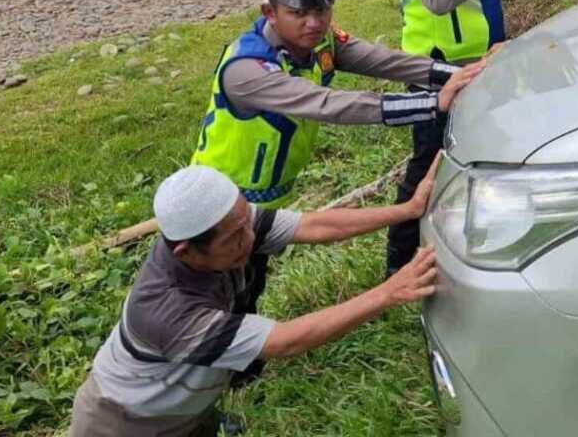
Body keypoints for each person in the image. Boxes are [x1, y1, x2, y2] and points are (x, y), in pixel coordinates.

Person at [69, 162, 442, 436]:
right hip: (126, 421)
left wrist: (406, 210)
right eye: (235, 236)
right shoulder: (169, 310)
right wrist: (388, 293)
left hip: (185, 403)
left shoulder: (230, 224)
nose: (250, 238)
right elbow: (285, 340)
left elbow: (313, 225)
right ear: (185, 252)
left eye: (247, 221)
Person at [189, 0, 485, 208]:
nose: (314, 23)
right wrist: (433, 103)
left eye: (321, 11)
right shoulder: (248, 69)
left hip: (260, 204)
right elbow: (327, 104)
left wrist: (462, 74)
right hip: (215, 204)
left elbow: (383, 61)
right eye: (298, 13)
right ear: (270, 13)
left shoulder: (321, 41)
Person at [387, 0, 519, 274]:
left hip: (474, 63)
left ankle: (461, 249)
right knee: (428, 167)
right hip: (435, 69)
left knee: (472, 156)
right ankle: (398, 268)